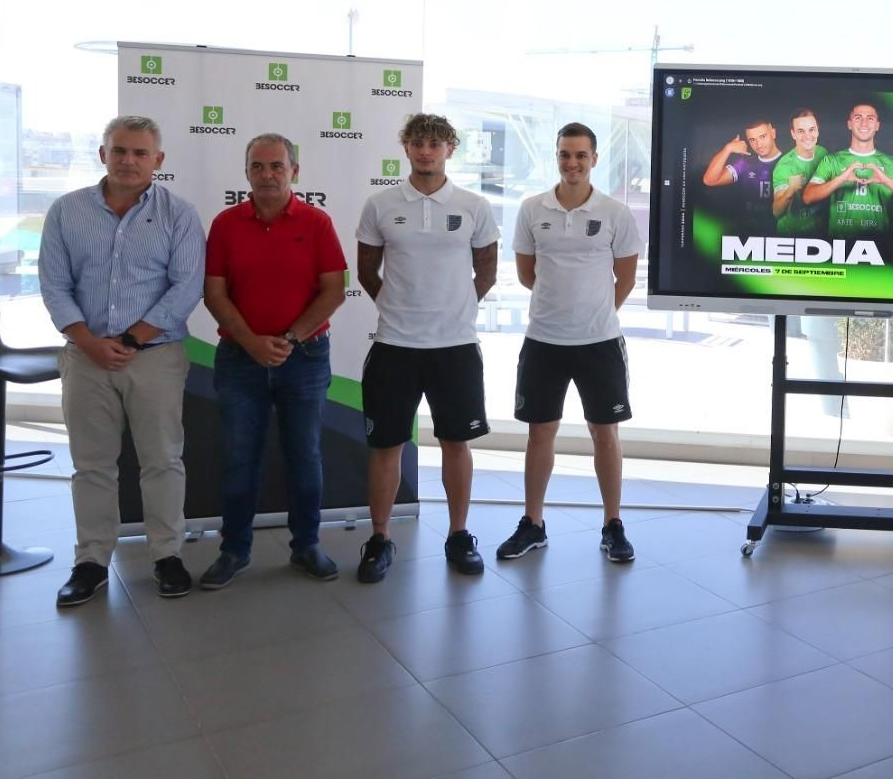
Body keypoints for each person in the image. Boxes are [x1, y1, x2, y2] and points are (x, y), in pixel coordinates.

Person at [40, 115, 204, 606]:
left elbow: (186, 285)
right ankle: (91, 561)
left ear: (158, 160)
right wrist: (88, 341)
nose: (129, 161)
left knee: (162, 461)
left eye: (139, 153)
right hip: (86, 357)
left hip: (154, 356)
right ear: (103, 155)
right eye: (119, 151)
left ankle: (166, 556)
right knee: (91, 466)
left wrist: (131, 340)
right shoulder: (67, 211)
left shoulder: (179, 214)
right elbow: (53, 284)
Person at [198, 134, 347, 590]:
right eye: (258, 166)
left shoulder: (317, 222)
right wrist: (252, 343)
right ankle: (234, 550)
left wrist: (285, 339)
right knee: (241, 457)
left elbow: (334, 289)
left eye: (276, 166)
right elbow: (214, 293)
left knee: (305, 455)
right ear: (246, 172)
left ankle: (307, 545)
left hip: (304, 357)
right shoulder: (225, 224)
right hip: (239, 358)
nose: (267, 174)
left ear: (294, 171)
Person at [355, 114, 499, 583]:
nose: (425, 151)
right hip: (395, 346)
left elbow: (487, 272)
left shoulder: (474, 206)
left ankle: (459, 535)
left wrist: (451, 311)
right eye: (417, 143)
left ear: (450, 150)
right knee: (385, 445)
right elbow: (366, 273)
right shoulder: (380, 204)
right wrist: (402, 311)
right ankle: (379, 538)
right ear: (406, 148)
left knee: (455, 443)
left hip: (454, 347)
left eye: (435, 144)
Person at [501, 123, 642, 563]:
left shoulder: (616, 213)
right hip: (544, 340)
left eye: (581, 155)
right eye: (565, 154)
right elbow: (527, 274)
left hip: (599, 342)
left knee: (606, 435)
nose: (572, 162)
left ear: (595, 159)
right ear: (556, 157)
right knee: (539, 434)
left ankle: (613, 525)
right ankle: (533, 524)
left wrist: (594, 312)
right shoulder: (531, 209)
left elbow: (627, 278)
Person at [802, 102, 893, 236]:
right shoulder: (831, 160)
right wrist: (841, 178)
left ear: (877, 126)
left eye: (870, 118)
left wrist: (886, 181)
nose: (864, 123)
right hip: (840, 246)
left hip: (878, 245)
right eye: (858, 118)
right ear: (849, 124)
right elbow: (808, 197)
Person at [702, 120, 781, 234]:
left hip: (780, 231)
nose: (759, 145)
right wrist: (728, 149)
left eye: (763, 137)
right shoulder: (745, 163)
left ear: (773, 133)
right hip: (750, 230)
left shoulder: (789, 162)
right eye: (753, 140)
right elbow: (709, 180)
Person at [771, 109, 829, 235]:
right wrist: (790, 191)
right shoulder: (785, 167)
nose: (807, 136)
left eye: (811, 129)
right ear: (793, 134)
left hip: (819, 233)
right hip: (792, 236)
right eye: (801, 131)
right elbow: (776, 212)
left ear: (818, 130)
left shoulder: (822, 152)